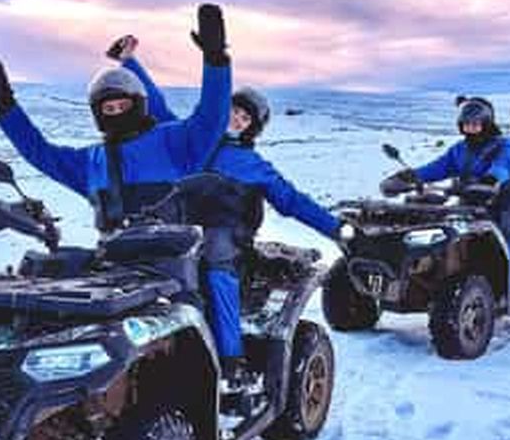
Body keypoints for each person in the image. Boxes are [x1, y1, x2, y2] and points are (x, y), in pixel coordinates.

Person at [110, 35, 346, 396]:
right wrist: (129, 63)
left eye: (244, 117)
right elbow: (156, 107)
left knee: (216, 267)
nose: (235, 119)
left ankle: (231, 361)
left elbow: (293, 201)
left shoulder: (254, 166)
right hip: (174, 228)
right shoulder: (193, 141)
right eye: (233, 111)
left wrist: (336, 228)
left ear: (252, 127)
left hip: (225, 237)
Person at [0, 4, 232, 235]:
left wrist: (215, 59)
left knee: (218, 280)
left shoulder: (173, 141)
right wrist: (6, 105)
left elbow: (212, 116)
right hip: (114, 271)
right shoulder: (90, 161)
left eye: (123, 105)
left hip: (176, 269)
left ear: (140, 105)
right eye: (109, 109)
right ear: (98, 115)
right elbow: (39, 152)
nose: (118, 113)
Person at [381, 96, 510, 293]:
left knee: (504, 238)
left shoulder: (503, 145)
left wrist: (491, 179)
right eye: (466, 125)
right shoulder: (459, 150)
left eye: (475, 125)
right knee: (444, 234)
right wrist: (410, 177)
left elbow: (504, 165)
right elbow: (438, 167)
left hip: (500, 203)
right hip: (468, 203)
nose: (470, 129)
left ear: (487, 124)